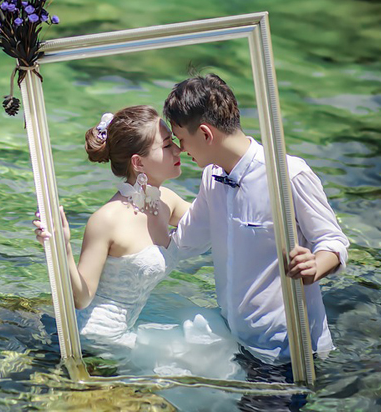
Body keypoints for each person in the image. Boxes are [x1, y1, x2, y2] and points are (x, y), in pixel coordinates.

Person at [34, 105, 241, 381]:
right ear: (138, 163)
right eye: (167, 145)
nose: (178, 150)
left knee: (217, 345)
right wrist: (62, 250)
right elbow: (81, 298)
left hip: (131, 328)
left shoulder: (165, 201)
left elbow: (217, 222)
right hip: (96, 341)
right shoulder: (106, 220)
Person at [162, 73, 350, 366]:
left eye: (182, 139)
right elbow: (187, 240)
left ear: (206, 134)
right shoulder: (211, 177)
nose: (181, 149)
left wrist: (316, 265)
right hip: (236, 342)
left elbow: (333, 241)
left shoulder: (289, 174)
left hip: (289, 354)